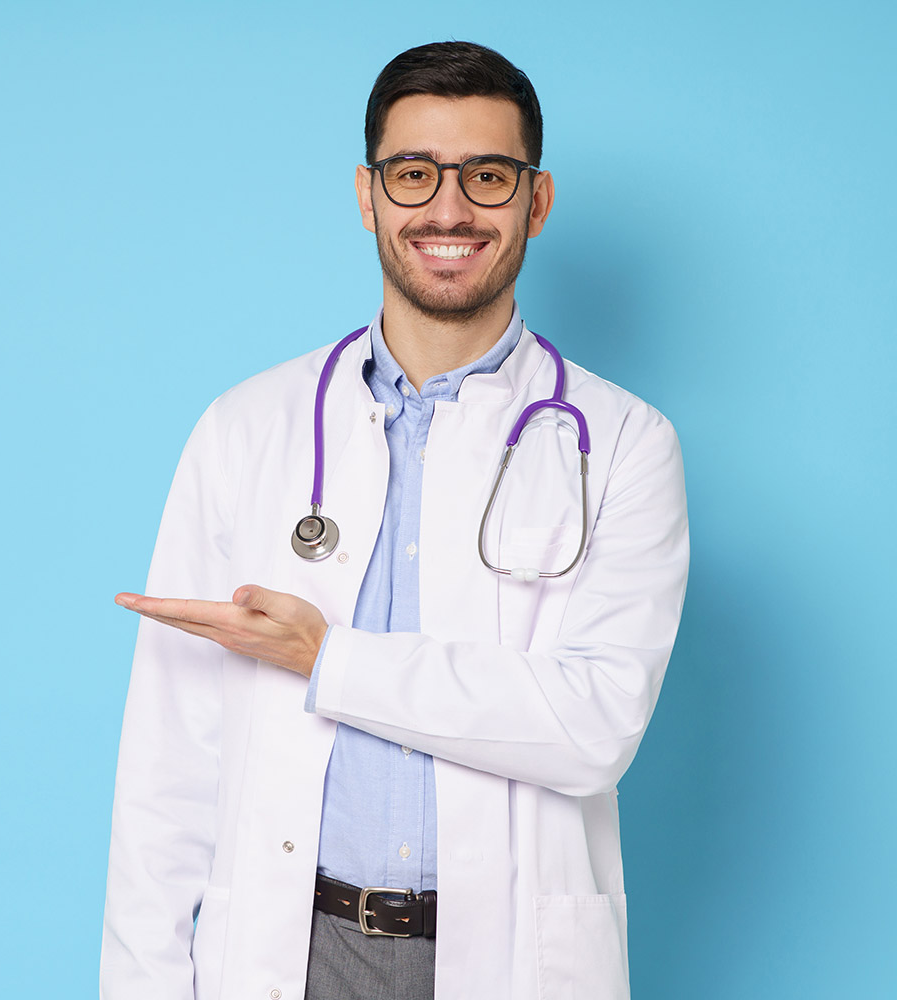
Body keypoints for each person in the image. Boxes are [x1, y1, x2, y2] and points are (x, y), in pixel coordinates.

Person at [100, 40, 689, 1000]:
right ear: (369, 196)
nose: (448, 210)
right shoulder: (247, 427)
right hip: (289, 950)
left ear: (536, 202)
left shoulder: (624, 443)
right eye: (415, 174)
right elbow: (168, 763)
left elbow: (593, 728)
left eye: (487, 177)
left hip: (508, 959)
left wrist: (330, 659)